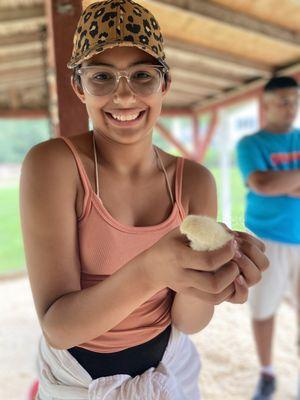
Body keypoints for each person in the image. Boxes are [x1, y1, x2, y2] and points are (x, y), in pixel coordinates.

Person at [20, 1, 268, 399]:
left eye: (142, 76)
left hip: (164, 366)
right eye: (102, 77)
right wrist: (153, 270)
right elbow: (59, 327)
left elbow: (187, 322)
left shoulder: (194, 182)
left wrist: (213, 274)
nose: (124, 95)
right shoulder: (53, 165)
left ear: (164, 84)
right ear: (78, 87)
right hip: (76, 377)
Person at [236, 76, 300, 400]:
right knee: (263, 311)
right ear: (267, 104)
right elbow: (260, 183)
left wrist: (280, 182)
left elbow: (272, 183)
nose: (291, 107)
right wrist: (277, 184)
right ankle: (267, 373)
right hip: (267, 238)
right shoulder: (250, 144)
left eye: (295, 99)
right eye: (284, 100)